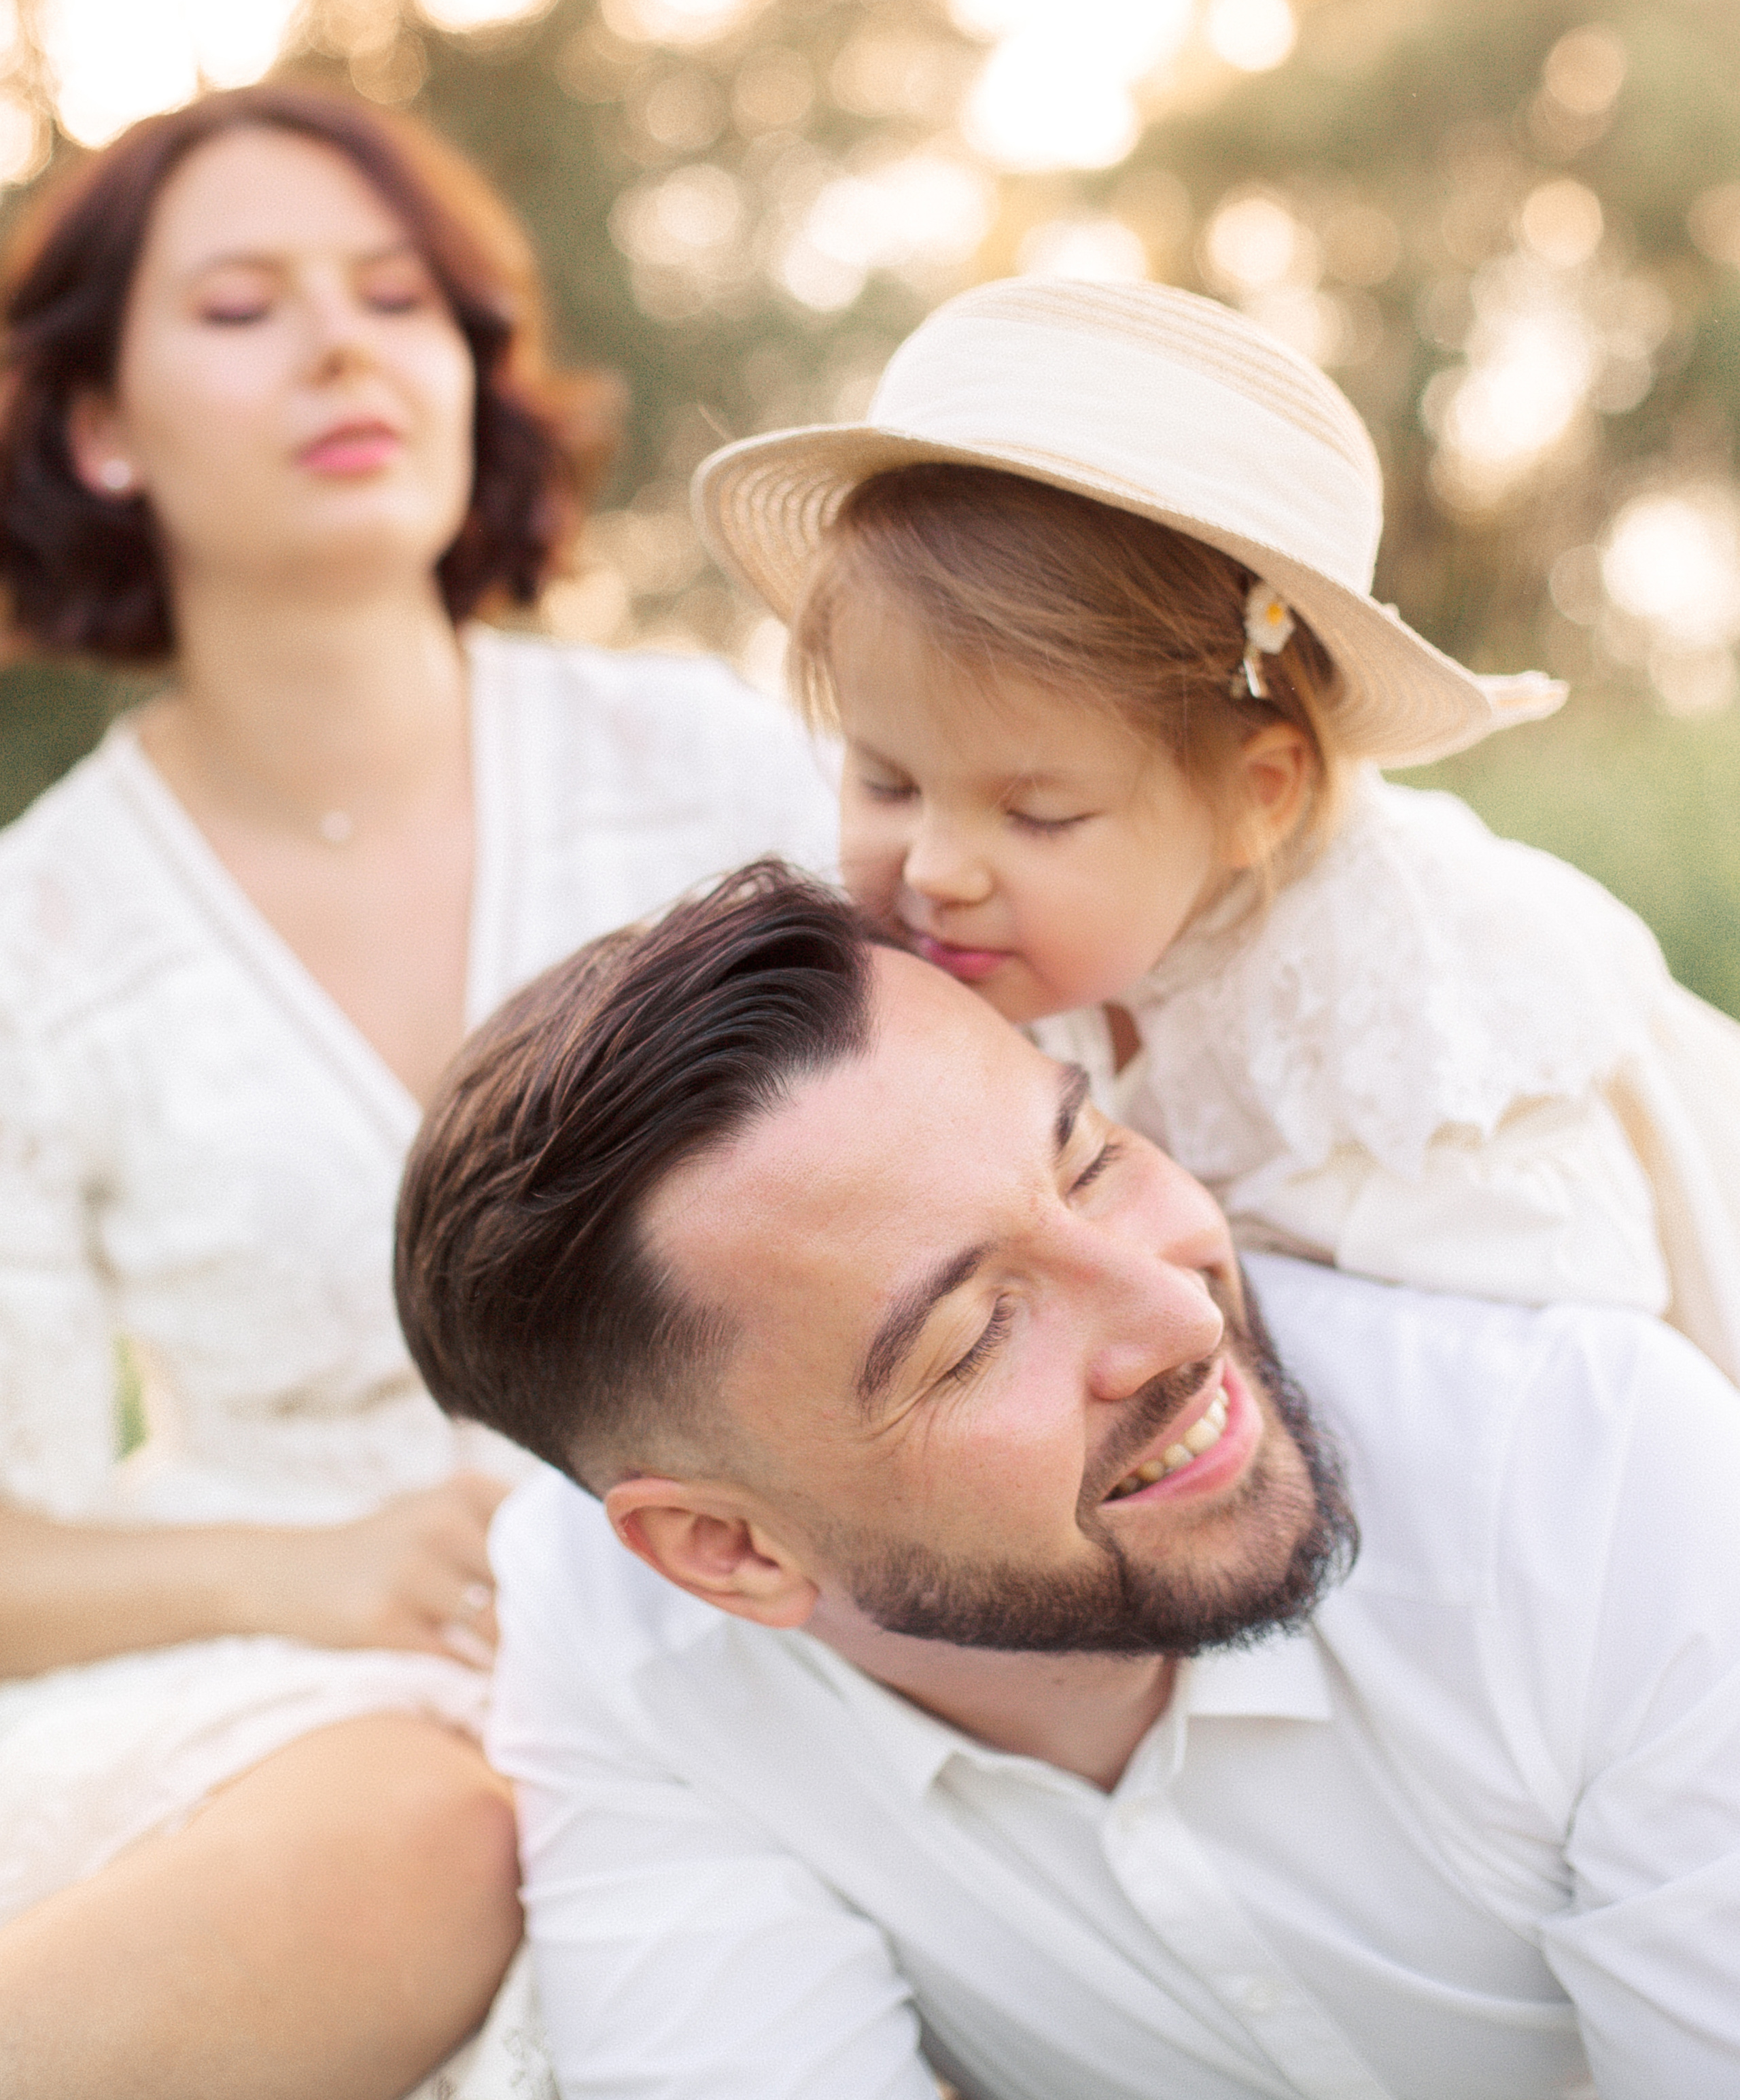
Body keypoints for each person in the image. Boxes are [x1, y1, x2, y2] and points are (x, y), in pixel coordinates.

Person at [0, 87, 834, 2100]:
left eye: (397, 295)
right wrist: (308, 1570)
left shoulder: (709, 769)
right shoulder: (34, 936)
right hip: (276, 1695)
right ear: (101, 433)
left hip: (757, 1594)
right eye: (241, 307)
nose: (348, 347)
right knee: (429, 1837)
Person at [396, 861, 1740, 2100]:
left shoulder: (1590, 1474)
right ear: (726, 1552)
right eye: (974, 1334)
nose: (1175, 1311)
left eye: (1090, 1161)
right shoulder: (625, 1646)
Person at [693, 277, 1740, 1379]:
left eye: (1040, 816)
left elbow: (1572, 1382)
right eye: (887, 784)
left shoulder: (1414, 1006)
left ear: (1259, 797)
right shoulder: (996, 962)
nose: (937, 870)